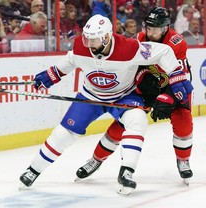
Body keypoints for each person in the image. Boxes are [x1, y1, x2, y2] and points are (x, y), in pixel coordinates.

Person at [19, 14, 193, 195]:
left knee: (138, 120)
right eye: (87, 38)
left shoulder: (129, 48)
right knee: (64, 133)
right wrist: (50, 75)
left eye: (93, 40)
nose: (88, 44)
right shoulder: (81, 46)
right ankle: (32, 171)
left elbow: (163, 52)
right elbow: (70, 60)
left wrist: (175, 74)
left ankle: (127, 172)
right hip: (90, 96)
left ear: (107, 37)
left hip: (123, 97)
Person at [75, 7, 194, 186]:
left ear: (166, 28)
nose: (151, 33)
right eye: (149, 28)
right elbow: (130, 67)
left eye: (157, 29)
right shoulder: (138, 39)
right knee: (123, 122)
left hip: (174, 86)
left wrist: (168, 98)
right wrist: (141, 79)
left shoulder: (177, 43)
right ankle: (96, 159)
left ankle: (183, 160)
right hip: (148, 88)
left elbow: (180, 76)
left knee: (183, 121)